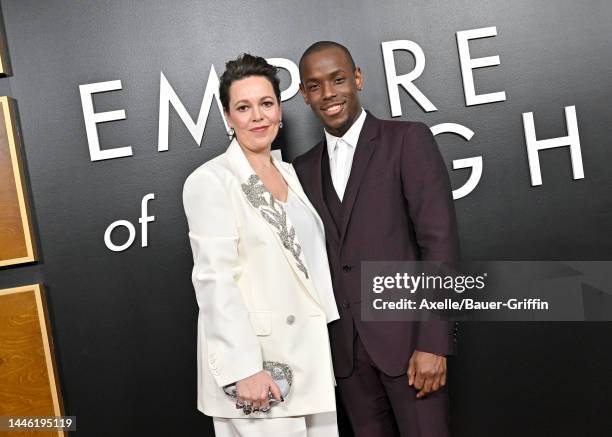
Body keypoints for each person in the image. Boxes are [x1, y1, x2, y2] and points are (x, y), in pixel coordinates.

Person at [293, 41, 460, 437]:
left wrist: (434, 342)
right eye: (315, 86)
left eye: (337, 79)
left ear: (358, 78)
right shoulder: (300, 171)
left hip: (412, 349)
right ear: (304, 94)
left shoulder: (407, 141)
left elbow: (439, 246)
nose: (328, 94)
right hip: (347, 361)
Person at [182, 54, 340, 437]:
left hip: (312, 365)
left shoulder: (291, 173)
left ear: (280, 110)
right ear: (227, 116)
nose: (257, 116)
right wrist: (244, 369)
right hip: (261, 373)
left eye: (266, 104)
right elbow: (214, 281)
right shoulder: (211, 181)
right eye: (243, 107)